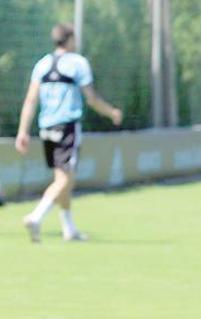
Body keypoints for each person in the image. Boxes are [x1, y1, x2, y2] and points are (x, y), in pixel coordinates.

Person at [15, 22, 122, 242]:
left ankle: (68, 228)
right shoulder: (78, 64)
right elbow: (91, 98)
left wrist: (22, 131)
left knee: (63, 178)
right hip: (66, 127)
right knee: (64, 179)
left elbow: (30, 99)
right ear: (71, 40)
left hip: (46, 128)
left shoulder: (42, 65)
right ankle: (37, 216)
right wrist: (111, 112)